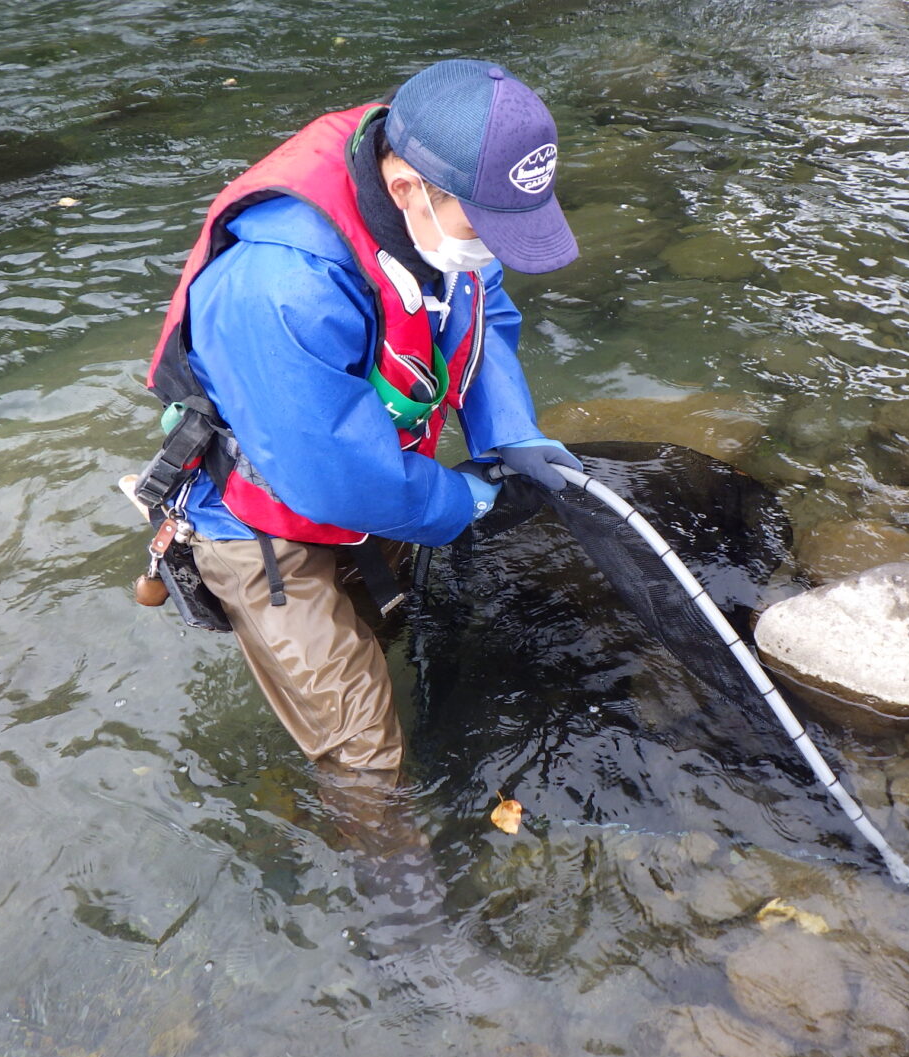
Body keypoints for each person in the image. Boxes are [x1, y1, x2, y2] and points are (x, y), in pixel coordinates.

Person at [140, 60, 581, 841]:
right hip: (262, 526)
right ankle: (398, 920)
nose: (495, 249)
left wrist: (511, 432)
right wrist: (469, 500)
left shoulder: (446, 190)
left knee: (384, 629)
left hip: (371, 475)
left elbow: (486, 309)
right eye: (489, 226)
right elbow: (329, 477)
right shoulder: (283, 283)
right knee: (366, 758)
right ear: (408, 186)